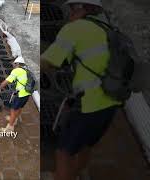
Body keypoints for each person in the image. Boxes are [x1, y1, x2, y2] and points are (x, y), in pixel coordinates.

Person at [41, 0, 122, 180]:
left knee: (63, 151)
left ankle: (63, 176)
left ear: (81, 8)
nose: (69, 13)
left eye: (71, 8)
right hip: (112, 101)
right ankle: (75, 175)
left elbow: (48, 62)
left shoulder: (75, 29)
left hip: (88, 104)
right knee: (85, 145)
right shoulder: (106, 28)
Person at [0, 57, 31, 132]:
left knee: (13, 109)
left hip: (21, 94)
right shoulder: (26, 70)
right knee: (19, 107)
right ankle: (15, 119)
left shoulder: (16, 71)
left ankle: (10, 128)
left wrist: (1, 86)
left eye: (14, 64)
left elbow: (7, 81)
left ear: (17, 64)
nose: (13, 65)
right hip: (27, 93)